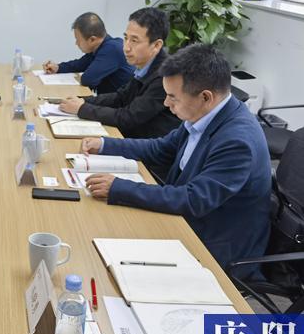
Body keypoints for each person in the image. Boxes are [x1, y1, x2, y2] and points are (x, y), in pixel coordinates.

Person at [81, 44, 271, 274]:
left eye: (173, 97)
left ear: (205, 97)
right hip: (185, 218)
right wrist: (105, 144)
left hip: (212, 245)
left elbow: (193, 199)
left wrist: (119, 188)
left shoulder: (237, 141)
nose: (166, 103)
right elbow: (161, 148)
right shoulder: (204, 114)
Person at [59, 8, 181, 142]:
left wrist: (82, 108)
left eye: (134, 41)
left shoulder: (165, 76)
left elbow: (129, 117)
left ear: (156, 45)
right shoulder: (145, 65)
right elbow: (120, 98)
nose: (126, 48)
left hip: (145, 147)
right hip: (130, 137)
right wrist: (82, 100)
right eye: (126, 38)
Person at [43, 12, 132, 94]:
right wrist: (58, 67)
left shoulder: (112, 49)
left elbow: (88, 79)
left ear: (92, 39)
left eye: (78, 40)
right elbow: (79, 65)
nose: (76, 43)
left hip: (120, 104)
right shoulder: (101, 47)